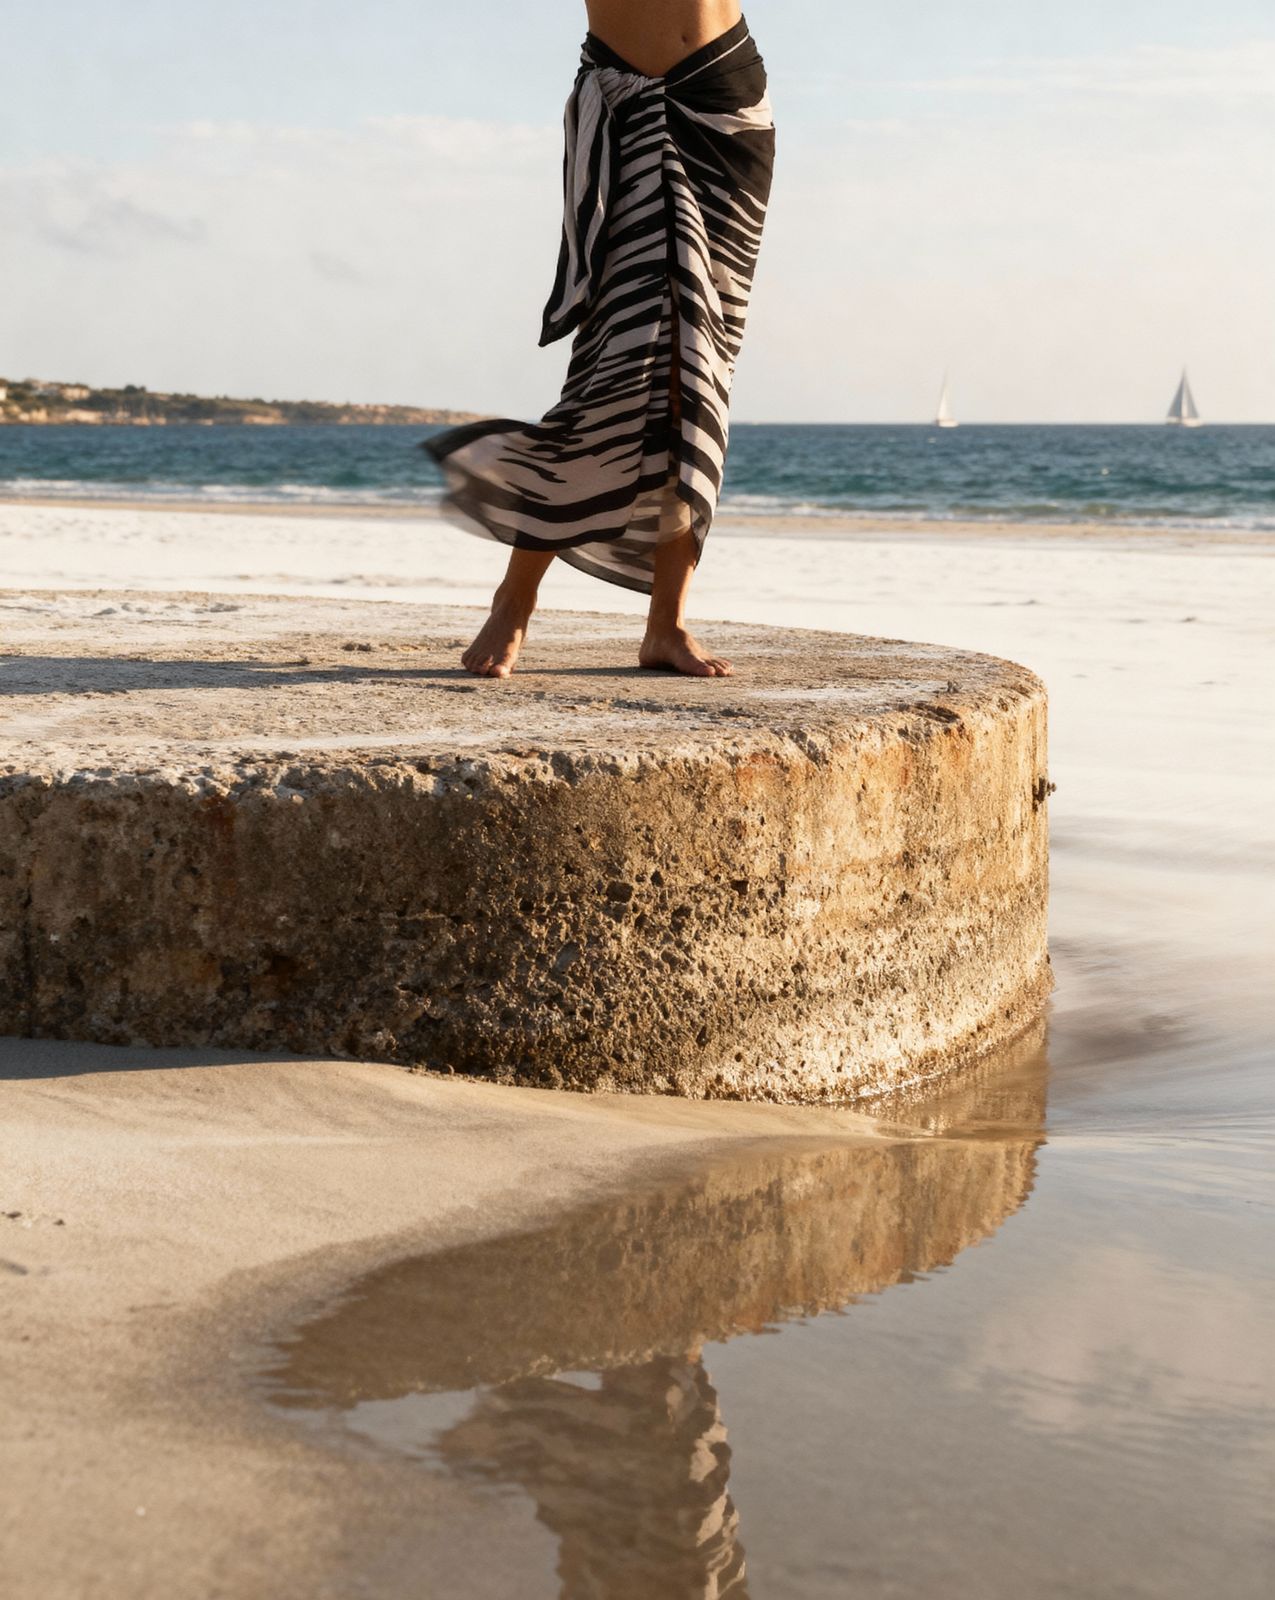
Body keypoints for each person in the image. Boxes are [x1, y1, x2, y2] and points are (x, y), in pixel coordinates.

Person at [425, 2, 775, 678]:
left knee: (699, 369)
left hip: (727, 104)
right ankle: (514, 598)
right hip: (627, 104)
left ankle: (667, 623)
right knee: (611, 369)